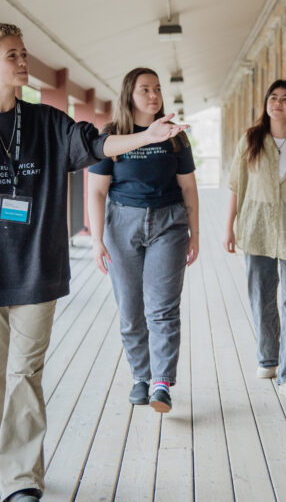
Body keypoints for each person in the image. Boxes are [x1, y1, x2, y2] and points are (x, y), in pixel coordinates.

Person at [0, 25, 187, 502]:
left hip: (36, 267)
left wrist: (146, 136)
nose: (23, 62)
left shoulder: (49, 123)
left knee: (25, 373)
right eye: (13, 55)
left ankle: (21, 478)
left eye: (25, 54)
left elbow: (97, 146)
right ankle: (9, 459)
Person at [87, 68, 198, 414]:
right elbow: (96, 191)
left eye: (157, 89)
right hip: (122, 224)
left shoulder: (176, 138)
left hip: (169, 223)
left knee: (163, 308)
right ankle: (140, 376)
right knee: (131, 309)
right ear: (128, 96)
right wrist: (96, 240)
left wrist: (196, 232)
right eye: (144, 90)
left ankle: (161, 382)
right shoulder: (111, 136)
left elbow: (189, 187)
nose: (153, 96)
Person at [222, 80, 286, 400]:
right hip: (255, 229)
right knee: (262, 298)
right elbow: (237, 186)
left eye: (285, 99)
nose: (277, 103)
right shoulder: (251, 140)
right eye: (272, 98)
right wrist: (229, 228)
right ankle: (268, 357)